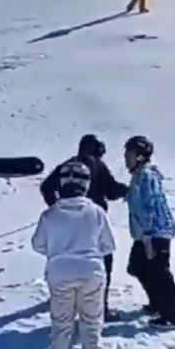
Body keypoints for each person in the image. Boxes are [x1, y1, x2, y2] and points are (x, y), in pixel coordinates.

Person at [31, 161, 118, 349]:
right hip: (92, 273)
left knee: (61, 326)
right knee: (91, 327)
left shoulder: (49, 215)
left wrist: (58, 251)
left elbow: (38, 244)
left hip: (59, 273)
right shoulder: (96, 212)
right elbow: (109, 245)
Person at [39, 134, 130, 320]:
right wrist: (127, 190)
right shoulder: (97, 165)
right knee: (102, 264)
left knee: (66, 260)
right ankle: (99, 308)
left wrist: (57, 208)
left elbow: (46, 186)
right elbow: (111, 190)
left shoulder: (67, 166)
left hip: (66, 224)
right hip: (93, 221)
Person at [122, 135, 175, 327]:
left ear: (139, 156)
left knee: (159, 272)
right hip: (146, 233)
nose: (125, 158)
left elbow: (150, 205)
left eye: (129, 154)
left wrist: (148, 235)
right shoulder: (140, 175)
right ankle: (157, 303)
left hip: (155, 232)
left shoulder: (146, 176)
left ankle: (172, 315)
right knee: (137, 267)